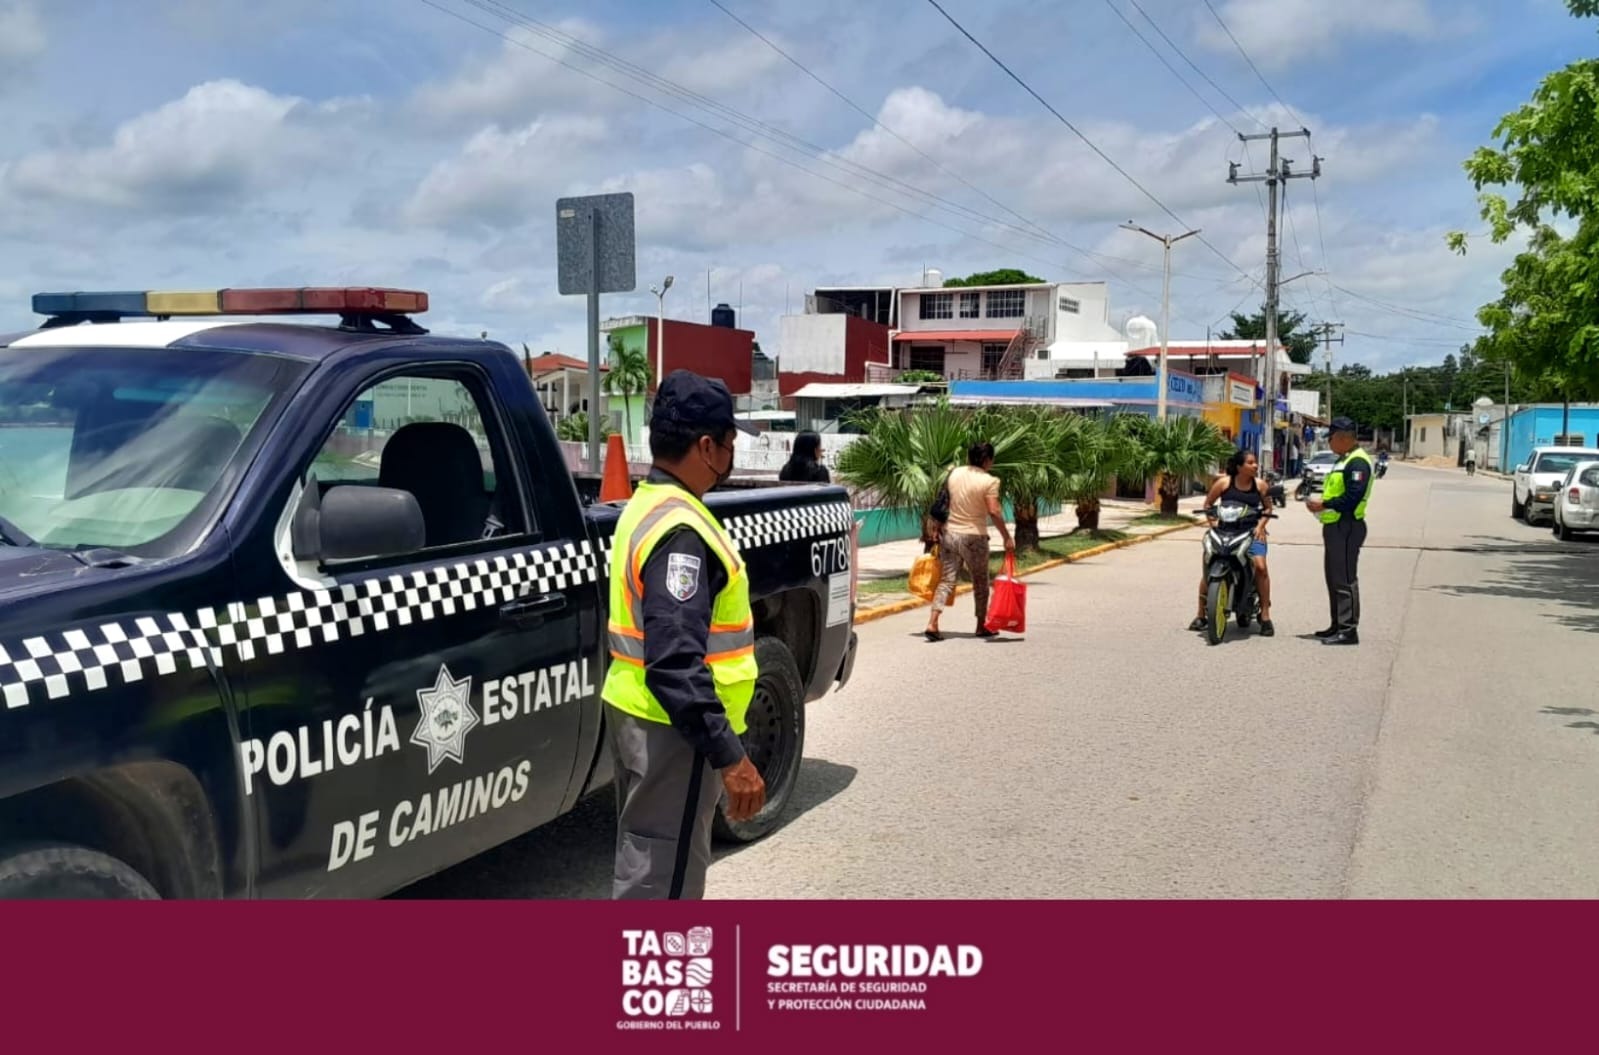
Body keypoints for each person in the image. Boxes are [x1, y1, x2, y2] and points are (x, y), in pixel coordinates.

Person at [601, 370, 767, 899]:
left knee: (645, 858)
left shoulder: (646, 505)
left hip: (641, 715)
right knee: (662, 883)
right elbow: (675, 661)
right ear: (705, 447)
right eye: (728, 444)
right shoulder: (682, 533)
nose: (730, 454)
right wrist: (730, 756)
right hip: (674, 732)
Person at [924, 441, 1014, 642]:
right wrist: (1006, 536)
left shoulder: (954, 473)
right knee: (980, 582)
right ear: (986, 460)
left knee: (947, 580)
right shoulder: (990, 481)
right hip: (975, 537)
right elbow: (993, 511)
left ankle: (933, 622)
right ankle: (981, 625)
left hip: (950, 534)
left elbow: (943, 501)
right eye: (991, 459)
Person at [1189, 448, 1275, 637]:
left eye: (1255, 463)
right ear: (1239, 467)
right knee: (1209, 565)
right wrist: (1212, 524)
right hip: (1224, 531)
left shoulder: (1260, 485)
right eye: (1250, 463)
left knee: (1260, 567)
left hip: (1252, 533)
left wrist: (1260, 527)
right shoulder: (1224, 484)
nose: (1255, 466)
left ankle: (1266, 616)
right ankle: (1201, 614)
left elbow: (1268, 508)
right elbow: (1208, 505)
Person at [1306, 416, 1374, 646]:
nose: (1329, 444)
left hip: (1347, 526)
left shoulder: (1357, 462)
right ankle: (1336, 624)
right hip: (1334, 526)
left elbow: (1352, 497)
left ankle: (1348, 630)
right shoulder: (1344, 459)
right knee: (1333, 578)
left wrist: (1324, 505)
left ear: (1344, 438)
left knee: (1345, 579)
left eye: (1331, 439)